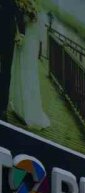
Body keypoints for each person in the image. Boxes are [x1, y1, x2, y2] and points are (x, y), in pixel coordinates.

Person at [7, 0, 50, 130]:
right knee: (20, 72)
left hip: (29, 45)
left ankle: (28, 111)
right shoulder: (25, 6)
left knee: (28, 75)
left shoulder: (35, 10)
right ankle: (20, 107)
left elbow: (41, 34)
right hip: (24, 43)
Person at [0, 0, 26, 121]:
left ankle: (3, 108)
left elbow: (19, 11)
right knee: (5, 72)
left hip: (8, 35)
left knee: (6, 72)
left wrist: (21, 33)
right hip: (7, 32)